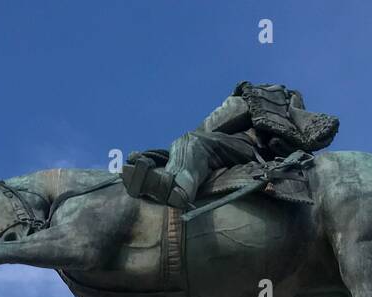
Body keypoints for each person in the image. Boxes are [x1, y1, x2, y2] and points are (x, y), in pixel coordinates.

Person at [121, 82, 339, 210]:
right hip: (253, 148)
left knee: (192, 141)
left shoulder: (246, 101)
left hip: (251, 149)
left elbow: (208, 129)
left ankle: (178, 187)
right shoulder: (276, 109)